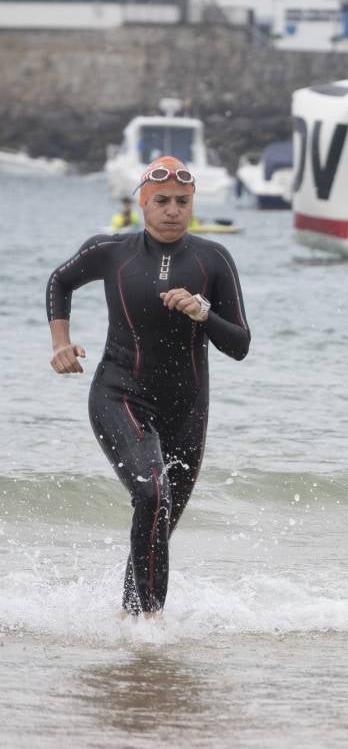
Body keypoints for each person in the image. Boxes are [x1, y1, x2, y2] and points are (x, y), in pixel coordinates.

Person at [46, 155, 251, 618]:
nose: (173, 209)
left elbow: (239, 344)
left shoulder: (213, 259)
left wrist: (203, 312)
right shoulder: (112, 252)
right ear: (143, 203)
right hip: (119, 394)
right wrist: (60, 342)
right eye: (162, 200)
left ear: (192, 203)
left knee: (157, 520)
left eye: (182, 200)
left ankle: (130, 622)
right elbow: (60, 279)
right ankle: (152, 627)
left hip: (188, 410)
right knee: (152, 494)